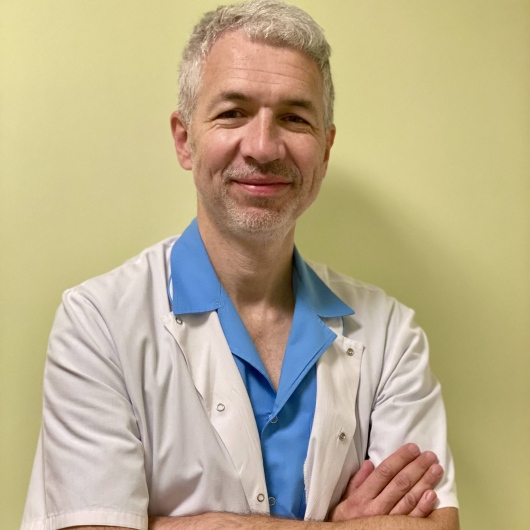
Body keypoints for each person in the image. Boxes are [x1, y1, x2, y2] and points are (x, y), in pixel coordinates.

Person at [21, 1, 459, 529]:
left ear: (325, 150)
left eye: (294, 118)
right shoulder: (98, 322)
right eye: (233, 113)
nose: (263, 146)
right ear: (185, 139)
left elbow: (436, 526)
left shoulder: (389, 335)